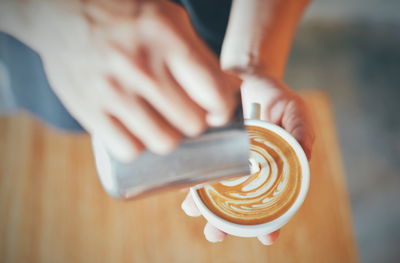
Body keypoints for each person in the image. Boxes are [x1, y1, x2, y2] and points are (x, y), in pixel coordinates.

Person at [0, 0, 314, 245]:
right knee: (72, 117)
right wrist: (44, 14)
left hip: (222, 30)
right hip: (42, 55)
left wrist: (250, 64)